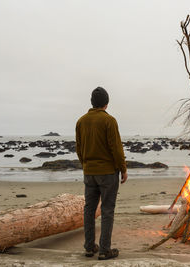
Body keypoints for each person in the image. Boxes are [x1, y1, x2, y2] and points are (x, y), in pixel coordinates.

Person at [75, 87, 127, 260]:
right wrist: (123, 169)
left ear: (92, 102)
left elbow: (79, 149)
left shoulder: (81, 121)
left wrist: (86, 166)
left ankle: (89, 247)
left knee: (89, 210)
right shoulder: (109, 121)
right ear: (106, 103)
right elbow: (116, 149)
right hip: (107, 173)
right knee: (107, 210)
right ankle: (104, 249)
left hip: (89, 172)